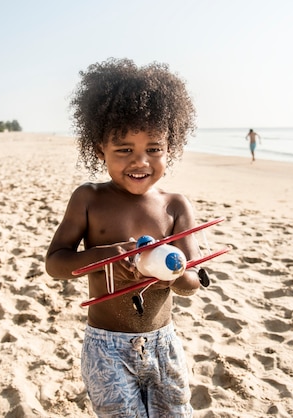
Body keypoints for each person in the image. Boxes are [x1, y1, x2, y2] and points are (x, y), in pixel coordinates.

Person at [45, 58, 200, 417]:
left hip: (164, 343)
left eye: (154, 149)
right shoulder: (88, 199)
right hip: (106, 347)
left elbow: (191, 281)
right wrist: (105, 256)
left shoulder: (176, 206)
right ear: (100, 149)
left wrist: (168, 269)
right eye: (124, 149)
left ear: (170, 147)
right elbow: (56, 263)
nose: (140, 161)